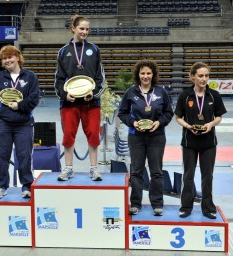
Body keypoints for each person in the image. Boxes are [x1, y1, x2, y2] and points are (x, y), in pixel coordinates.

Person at [0, 45, 40, 199]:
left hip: (24, 123)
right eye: (4, 58)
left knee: (24, 156)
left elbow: (34, 99)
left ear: (18, 57)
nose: (8, 60)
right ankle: (1, 186)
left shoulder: (30, 77)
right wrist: (1, 96)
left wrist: (19, 106)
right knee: (1, 156)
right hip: (3, 123)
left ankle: (26, 186)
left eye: (10, 57)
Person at [118, 59, 174, 216]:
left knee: (156, 172)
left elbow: (169, 113)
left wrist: (159, 122)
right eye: (143, 73)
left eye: (148, 73)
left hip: (156, 137)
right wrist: (132, 122)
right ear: (138, 74)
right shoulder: (131, 92)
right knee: (136, 171)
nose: (145, 76)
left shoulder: (161, 92)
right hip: (136, 138)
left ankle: (157, 204)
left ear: (153, 74)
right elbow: (122, 113)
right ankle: (135, 203)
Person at [54, 15, 105, 181]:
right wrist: (64, 95)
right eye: (82, 28)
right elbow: (59, 80)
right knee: (68, 135)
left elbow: (100, 78)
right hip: (70, 103)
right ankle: (68, 169)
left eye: (87, 29)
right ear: (73, 28)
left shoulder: (94, 50)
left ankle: (94, 169)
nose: (84, 32)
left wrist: (94, 92)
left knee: (93, 135)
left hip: (91, 102)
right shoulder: (63, 51)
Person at [174, 62, 227, 219]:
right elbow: (177, 117)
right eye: (201, 76)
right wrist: (188, 126)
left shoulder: (214, 95)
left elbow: (219, 116)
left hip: (209, 143)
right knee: (188, 176)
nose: (204, 79)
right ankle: (186, 206)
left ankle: (208, 207)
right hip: (189, 142)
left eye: (206, 76)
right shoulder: (185, 96)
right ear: (192, 77)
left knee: (207, 176)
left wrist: (210, 124)